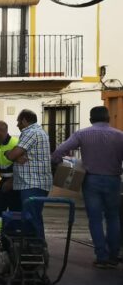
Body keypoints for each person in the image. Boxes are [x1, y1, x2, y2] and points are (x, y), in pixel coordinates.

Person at [51, 106, 123, 268]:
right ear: (108, 119)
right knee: (113, 217)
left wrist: (60, 163)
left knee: (95, 219)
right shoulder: (120, 136)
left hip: (91, 180)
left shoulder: (82, 134)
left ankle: (101, 257)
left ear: (91, 119)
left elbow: (59, 152)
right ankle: (114, 255)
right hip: (113, 180)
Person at [5, 109, 53, 236]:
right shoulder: (39, 131)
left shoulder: (30, 132)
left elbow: (12, 155)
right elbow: (18, 154)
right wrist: (16, 155)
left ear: (25, 121)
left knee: (32, 218)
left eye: (18, 122)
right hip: (35, 183)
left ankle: (37, 247)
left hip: (32, 183)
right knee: (33, 216)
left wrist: (9, 153)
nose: (17, 125)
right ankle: (34, 246)